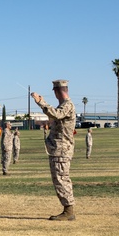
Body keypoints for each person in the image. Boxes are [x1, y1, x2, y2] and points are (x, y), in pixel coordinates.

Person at [32, 79, 77, 221]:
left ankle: (69, 211)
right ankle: (67, 209)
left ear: (58, 91)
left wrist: (41, 102)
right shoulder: (63, 105)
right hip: (57, 149)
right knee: (59, 178)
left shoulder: (67, 105)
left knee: (61, 178)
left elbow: (57, 114)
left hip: (62, 149)